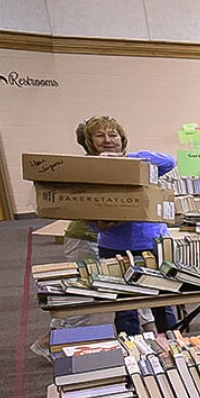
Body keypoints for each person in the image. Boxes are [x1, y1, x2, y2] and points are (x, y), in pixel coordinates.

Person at [77, 115, 180, 336]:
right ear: (90, 142)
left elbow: (169, 162)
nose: (107, 140)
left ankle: (173, 345)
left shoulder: (140, 163)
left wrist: (124, 158)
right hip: (114, 244)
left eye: (113, 135)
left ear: (122, 139)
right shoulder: (87, 169)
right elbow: (82, 206)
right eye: (100, 135)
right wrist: (98, 226)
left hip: (152, 242)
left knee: (162, 299)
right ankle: (131, 349)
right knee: (124, 304)